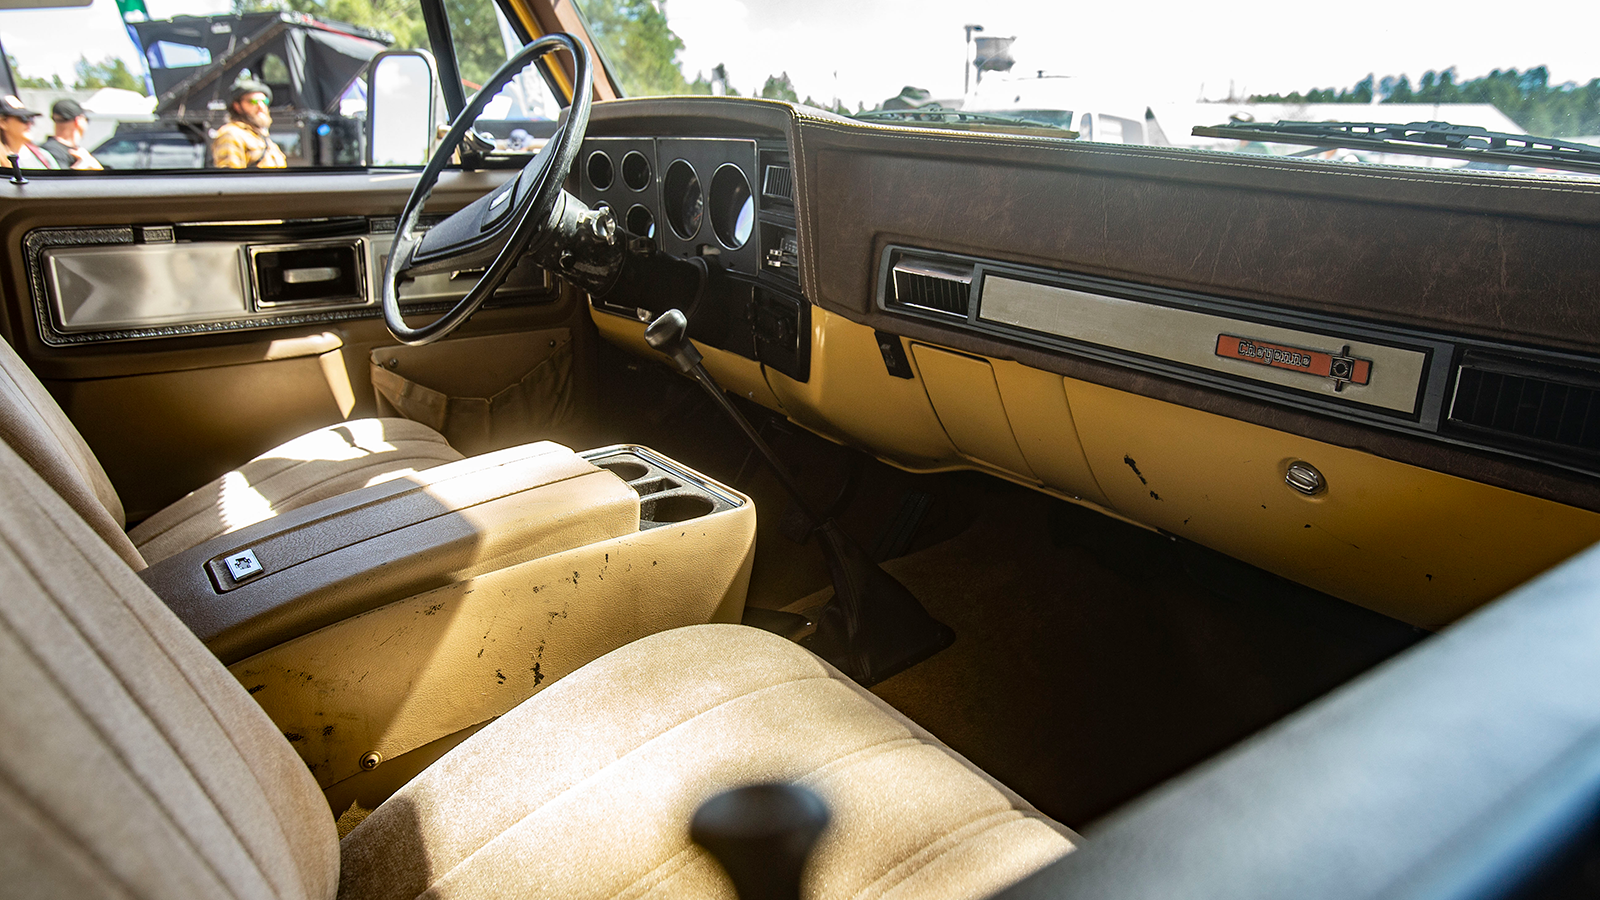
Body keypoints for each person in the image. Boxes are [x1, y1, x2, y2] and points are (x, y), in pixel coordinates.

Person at [211, 79, 286, 169]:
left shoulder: (265, 140)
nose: (261, 107)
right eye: (253, 102)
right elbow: (231, 180)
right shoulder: (232, 135)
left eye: (265, 101)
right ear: (237, 106)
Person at [0, 95, 59, 171]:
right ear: (3, 122)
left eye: (30, 118)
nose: (29, 124)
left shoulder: (43, 156)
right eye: (23, 118)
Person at [41, 99, 102, 170]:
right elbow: (61, 179)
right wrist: (86, 164)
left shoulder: (48, 148)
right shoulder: (52, 151)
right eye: (86, 119)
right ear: (78, 121)